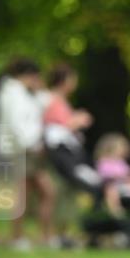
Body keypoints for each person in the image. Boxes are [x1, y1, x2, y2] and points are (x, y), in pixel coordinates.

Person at [0, 58, 56, 251]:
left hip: (30, 150)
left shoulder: (24, 93)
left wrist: (40, 89)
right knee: (25, 195)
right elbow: (16, 124)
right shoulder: (12, 94)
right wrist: (30, 144)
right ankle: (18, 238)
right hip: (23, 151)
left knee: (44, 192)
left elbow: (45, 104)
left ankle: (43, 237)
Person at [42, 63, 99, 247]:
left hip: (67, 153)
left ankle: (63, 234)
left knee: (67, 194)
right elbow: (58, 126)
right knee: (56, 194)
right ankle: (51, 236)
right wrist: (78, 120)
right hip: (59, 155)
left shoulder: (60, 100)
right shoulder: (51, 99)